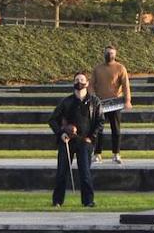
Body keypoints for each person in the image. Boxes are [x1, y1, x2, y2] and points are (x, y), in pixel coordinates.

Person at [49, 72, 103, 208]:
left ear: (87, 83)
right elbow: (52, 120)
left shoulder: (95, 101)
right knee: (62, 172)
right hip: (67, 141)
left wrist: (91, 138)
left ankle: (88, 201)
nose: (79, 82)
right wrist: (61, 133)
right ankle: (57, 201)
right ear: (73, 83)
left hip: (85, 141)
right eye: (77, 80)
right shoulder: (66, 101)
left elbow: (100, 122)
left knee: (85, 172)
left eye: (82, 79)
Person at [90, 45, 132, 164]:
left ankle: (116, 154)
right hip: (100, 104)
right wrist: (93, 97)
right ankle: (97, 154)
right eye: (108, 53)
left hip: (115, 103)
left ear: (115, 55)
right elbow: (91, 84)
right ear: (103, 53)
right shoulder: (98, 69)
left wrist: (127, 100)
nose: (110, 55)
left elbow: (125, 85)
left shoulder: (120, 68)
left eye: (112, 53)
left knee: (116, 130)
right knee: (98, 129)